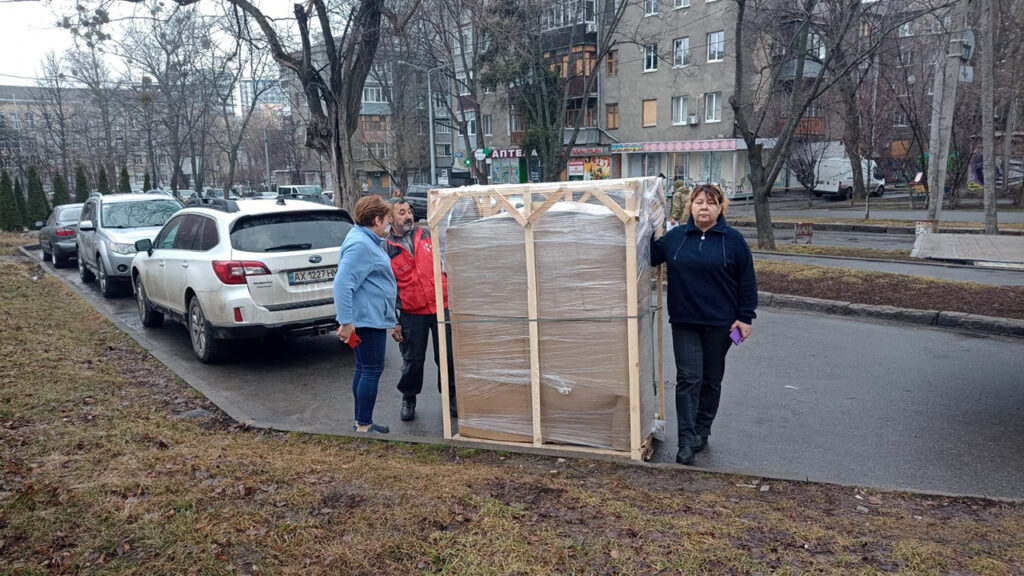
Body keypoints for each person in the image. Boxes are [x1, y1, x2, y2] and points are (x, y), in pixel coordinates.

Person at [650, 183, 757, 465]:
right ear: (691, 207)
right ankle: (686, 441)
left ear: (720, 208)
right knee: (688, 379)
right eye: (699, 202)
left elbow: (747, 281)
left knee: (711, 379)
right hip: (685, 321)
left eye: (710, 203)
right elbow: (650, 255)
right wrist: (645, 224)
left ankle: (702, 430)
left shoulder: (733, 241)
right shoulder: (676, 238)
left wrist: (745, 317)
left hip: (721, 325)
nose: (704, 207)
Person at [384, 197, 458, 421]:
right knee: (412, 360)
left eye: (409, 211)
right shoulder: (386, 248)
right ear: (390, 218)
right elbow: (386, 288)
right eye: (401, 213)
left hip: (441, 307)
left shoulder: (428, 234)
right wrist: (392, 321)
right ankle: (408, 398)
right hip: (411, 313)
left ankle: (451, 396)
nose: (408, 216)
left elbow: (450, 256)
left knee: (447, 356)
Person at [334, 195, 398, 434]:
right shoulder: (361, 244)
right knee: (371, 370)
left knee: (363, 368)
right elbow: (342, 283)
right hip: (367, 320)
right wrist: (346, 322)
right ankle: (363, 425)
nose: (389, 224)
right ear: (376, 219)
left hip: (367, 317)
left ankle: (362, 421)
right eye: (387, 219)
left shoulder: (363, 239)